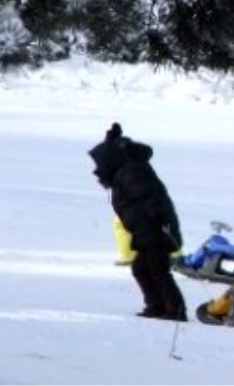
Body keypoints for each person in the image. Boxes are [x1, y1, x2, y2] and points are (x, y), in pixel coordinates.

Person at [89, 123, 187, 321]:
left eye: (100, 164)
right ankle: (156, 306)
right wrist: (112, 139)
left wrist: (158, 217)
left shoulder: (131, 171)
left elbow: (151, 194)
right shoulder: (125, 169)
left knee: (158, 270)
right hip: (145, 231)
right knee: (141, 268)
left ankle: (175, 310)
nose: (98, 170)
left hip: (155, 230)